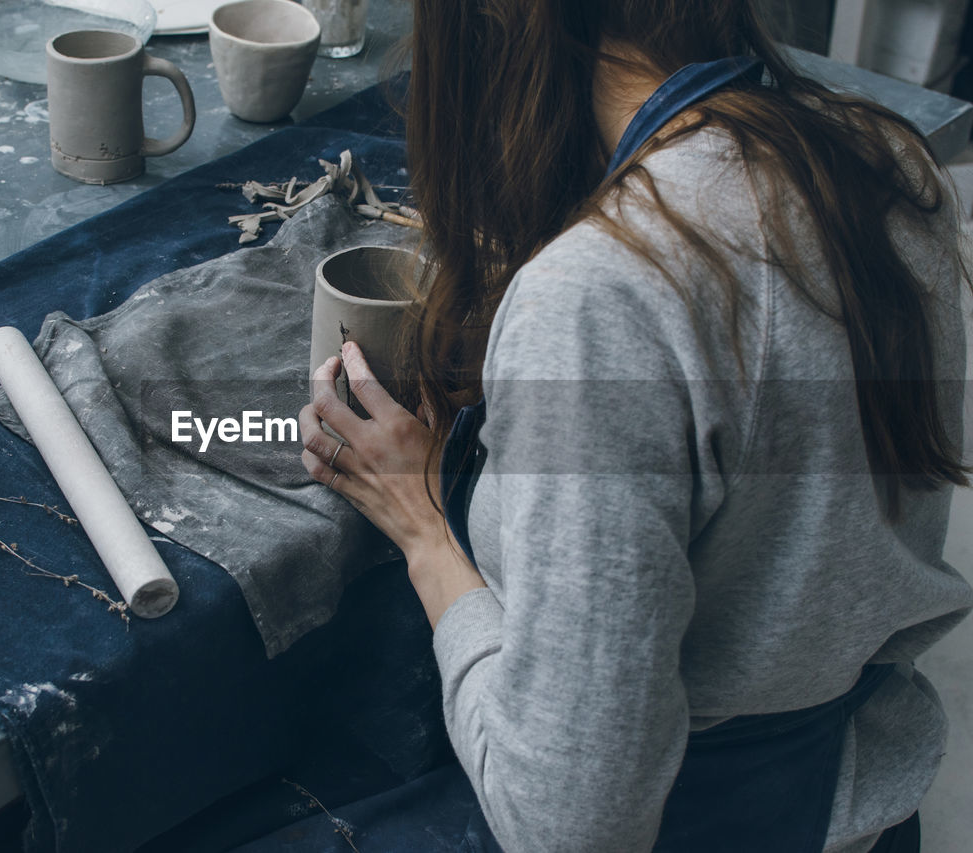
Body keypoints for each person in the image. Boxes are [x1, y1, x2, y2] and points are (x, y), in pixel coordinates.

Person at [297, 1, 973, 850]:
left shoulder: (601, 294)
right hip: (864, 802)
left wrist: (427, 530)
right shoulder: (886, 161)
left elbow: (567, 827)